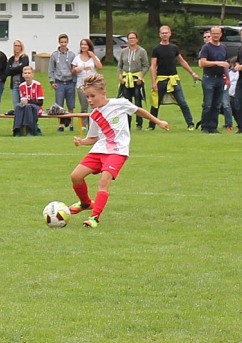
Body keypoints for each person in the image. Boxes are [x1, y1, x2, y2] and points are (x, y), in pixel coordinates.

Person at [68, 74, 169, 228]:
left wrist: (158, 121)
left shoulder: (120, 103)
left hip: (118, 151)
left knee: (104, 181)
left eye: (92, 96)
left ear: (103, 93)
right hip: (99, 150)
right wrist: (82, 142)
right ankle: (85, 203)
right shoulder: (94, 115)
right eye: (87, 97)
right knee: (75, 176)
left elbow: (139, 111)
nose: (89, 100)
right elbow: (93, 138)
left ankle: (94, 217)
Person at [149, 25, 198, 130]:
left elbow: (182, 61)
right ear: (159, 35)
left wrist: (192, 73)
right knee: (155, 103)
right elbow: (153, 66)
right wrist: (153, 82)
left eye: (166, 33)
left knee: (182, 102)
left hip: (174, 79)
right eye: (162, 33)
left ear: (170, 34)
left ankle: (190, 124)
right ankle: (151, 125)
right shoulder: (156, 49)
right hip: (161, 79)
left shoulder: (174, 48)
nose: (164, 35)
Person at [199, 26, 230, 133]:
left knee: (217, 104)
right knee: (208, 104)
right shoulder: (206, 47)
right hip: (209, 78)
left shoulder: (223, 47)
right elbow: (203, 62)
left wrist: (228, 78)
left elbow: (225, 64)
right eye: (214, 33)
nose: (216, 35)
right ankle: (205, 126)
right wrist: (217, 63)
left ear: (221, 34)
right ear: (211, 34)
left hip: (220, 78)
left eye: (218, 33)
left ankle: (213, 127)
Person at [117, 31, 149, 130]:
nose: (131, 40)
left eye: (133, 38)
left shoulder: (142, 51)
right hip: (126, 80)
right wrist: (120, 76)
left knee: (138, 102)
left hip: (137, 79)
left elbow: (146, 66)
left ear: (137, 39)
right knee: (127, 102)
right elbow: (119, 66)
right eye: (129, 38)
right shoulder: (124, 51)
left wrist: (141, 77)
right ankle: (127, 124)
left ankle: (139, 124)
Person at [48, 34, 77, 132]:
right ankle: (60, 125)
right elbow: (51, 69)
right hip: (59, 82)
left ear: (67, 42)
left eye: (65, 42)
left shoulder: (72, 55)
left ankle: (71, 125)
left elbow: (74, 68)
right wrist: (52, 81)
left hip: (70, 82)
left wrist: (74, 82)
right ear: (59, 42)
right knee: (59, 105)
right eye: (62, 42)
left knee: (71, 105)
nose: (63, 44)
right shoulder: (54, 55)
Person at [73, 38, 103, 118]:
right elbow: (72, 71)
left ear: (89, 46)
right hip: (81, 84)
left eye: (85, 44)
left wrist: (93, 56)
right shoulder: (77, 58)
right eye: (82, 44)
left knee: (94, 105)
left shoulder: (93, 57)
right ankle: (84, 123)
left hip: (93, 84)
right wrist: (75, 70)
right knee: (84, 106)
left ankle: (95, 121)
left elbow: (100, 67)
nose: (83, 46)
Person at [13, 66, 44, 136]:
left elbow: (40, 103)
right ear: (22, 75)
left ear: (32, 74)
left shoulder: (37, 85)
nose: (27, 75)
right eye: (25, 73)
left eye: (29, 73)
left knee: (28, 107)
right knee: (18, 106)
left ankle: (30, 129)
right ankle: (17, 129)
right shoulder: (21, 86)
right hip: (26, 107)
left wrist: (29, 101)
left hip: (37, 107)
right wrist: (24, 101)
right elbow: (23, 99)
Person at [6, 40, 30, 110]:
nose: (17, 47)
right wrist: (17, 67)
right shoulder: (11, 59)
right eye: (16, 46)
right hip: (14, 85)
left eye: (19, 46)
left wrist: (13, 69)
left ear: (21, 47)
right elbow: (7, 71)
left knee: (24, 104)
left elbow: (22, 68)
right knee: (16, 105)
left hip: (22, 84)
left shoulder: (24, 57)